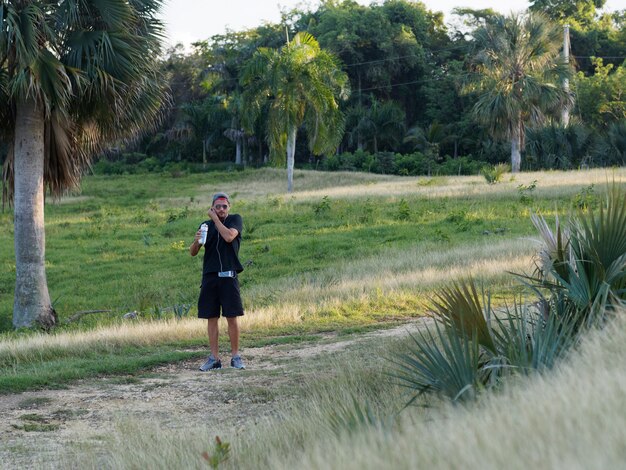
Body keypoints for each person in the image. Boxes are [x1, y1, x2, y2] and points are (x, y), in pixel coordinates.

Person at [190, 192, 245, 371]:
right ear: (212, 207)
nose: (221, 209)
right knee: (211, 317)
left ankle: (235, 356)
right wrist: (197, 242)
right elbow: (193, 251)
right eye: (217, 206)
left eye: (224, 206)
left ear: (229, 207)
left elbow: (229, 237)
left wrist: (215, 220)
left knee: (231, 317)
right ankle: (214, 358)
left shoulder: (235, 220)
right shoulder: (205, 225)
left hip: (228, 276)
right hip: (210, 276)